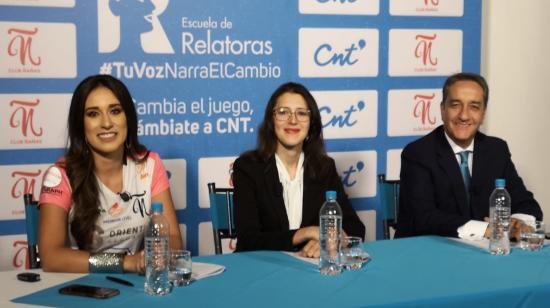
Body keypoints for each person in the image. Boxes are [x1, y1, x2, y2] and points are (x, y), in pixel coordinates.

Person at [38, 75, 183, 273]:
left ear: (128, 118)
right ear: (81, 125)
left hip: (132, 285)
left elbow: (173, 238)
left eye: (115, 111)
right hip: (78, 287)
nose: (106, 123)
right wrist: (124, 263)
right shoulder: (60, 175)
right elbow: (51, 257)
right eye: (93, 114)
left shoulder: (149, 164)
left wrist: (157, 256)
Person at [395, 72, 542, 240]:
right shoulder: (418, 153)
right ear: (442, 109)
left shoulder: (496, 149)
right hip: (429, 253)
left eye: (474, 106)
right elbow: (424, 218)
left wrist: (517, 223)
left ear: (483, 114)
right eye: (455, 105)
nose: (464, 115)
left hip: (485, 254)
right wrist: (486, 229)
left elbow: (529, 206)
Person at [232, 82, 365, 258]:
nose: (292, 120)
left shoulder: (324, 168)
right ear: (271, 121)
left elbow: (355, 226)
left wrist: (330, 240)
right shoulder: (247, 167)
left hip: (311, 271)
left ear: (311, 124)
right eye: (283, 112)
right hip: (261, 270)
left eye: (301, 113)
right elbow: (248, 240)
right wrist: (306, 233)